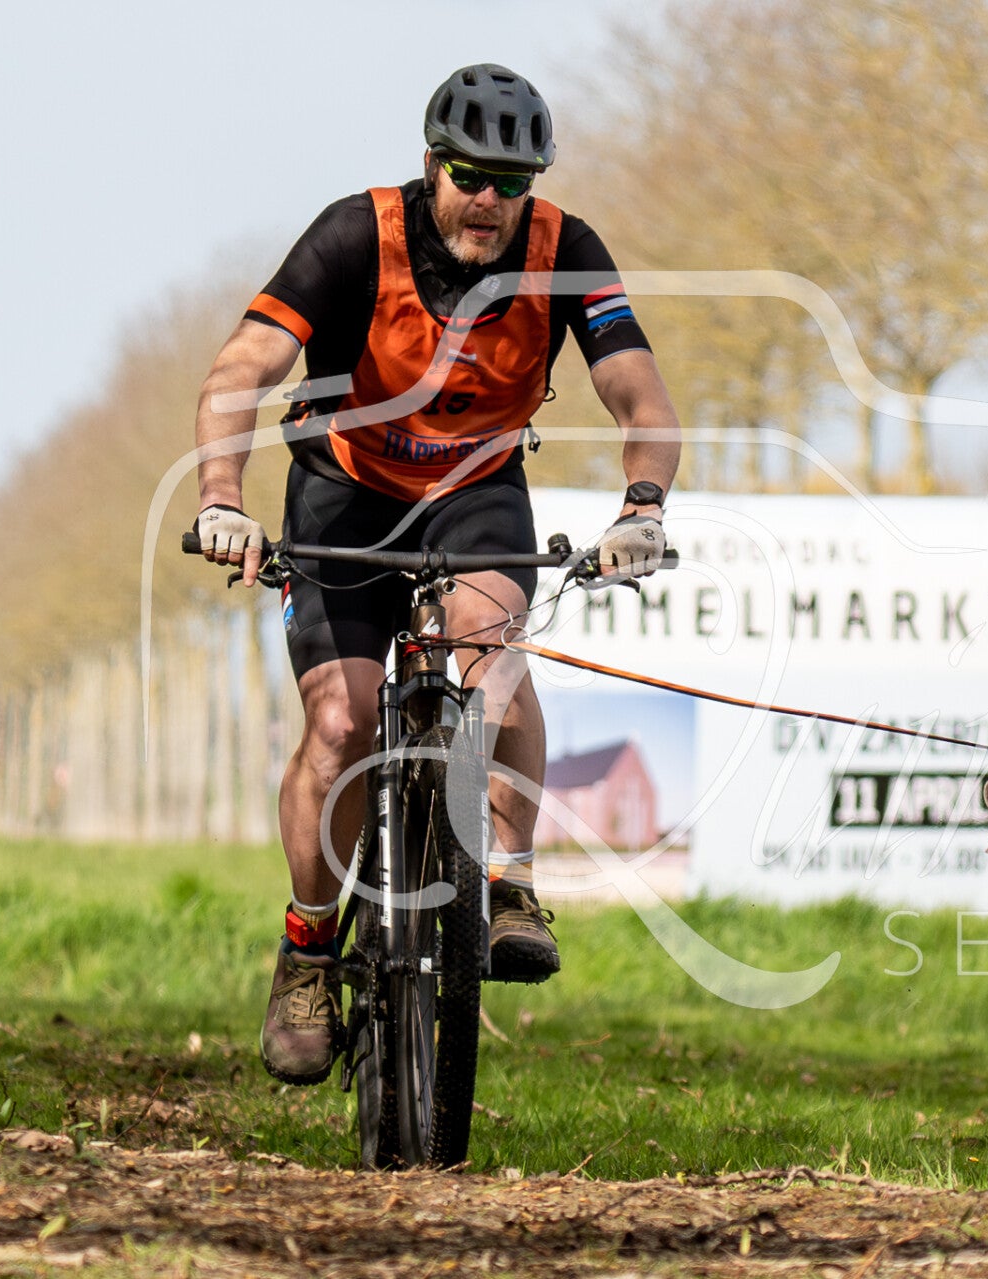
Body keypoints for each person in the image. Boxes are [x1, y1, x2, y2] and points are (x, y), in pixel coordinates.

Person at [190, 63, 681, 1085]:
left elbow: (639, 395)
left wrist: (642, 507)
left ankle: (508, 881)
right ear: (431, 165)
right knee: (340, 723)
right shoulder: (352, 235)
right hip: (344, 490)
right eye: (469, 175)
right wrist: (222, 497)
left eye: (514, 180)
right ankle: (309, 947)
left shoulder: (565, 251)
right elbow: (240, 371)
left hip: (475, 490)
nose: (489, 199)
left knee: (495, 653)